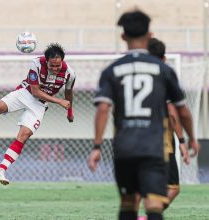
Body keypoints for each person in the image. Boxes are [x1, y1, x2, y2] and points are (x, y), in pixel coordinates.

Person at [87, 10, 199, 220]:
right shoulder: (163, 70)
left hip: (124, 147)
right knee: (154, 203)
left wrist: (97, 146)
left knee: (128, 202)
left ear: (123, 37)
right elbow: (181, 110)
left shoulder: (112, 70)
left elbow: (103, 109)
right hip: (154, 146)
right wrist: (191, 139)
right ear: (149, 35)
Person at [0, 43, 76, 185]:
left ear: (63, 61)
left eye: (58, 66)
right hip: (26, 93)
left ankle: (0, 171)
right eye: (51, 65)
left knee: (23, 136)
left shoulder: (70, 74)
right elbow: (35, 91)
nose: (55, 69)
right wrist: (59, 101)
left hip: (39, 105)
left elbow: (68, 93)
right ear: (46, 61)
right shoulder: (36, 63)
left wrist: (70, 111)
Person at [136, 38, 191, 220]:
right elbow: (173, 114)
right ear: (164, 58)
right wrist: (183, 141)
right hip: (161, 139)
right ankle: (146, 217)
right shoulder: (165, 77)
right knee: (172, 187)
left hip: (135, 136)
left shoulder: (134, 76)